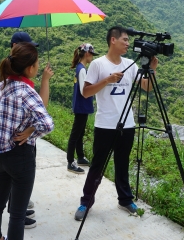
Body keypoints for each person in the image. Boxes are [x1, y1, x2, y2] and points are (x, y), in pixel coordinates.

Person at [74, 26, 158, 221]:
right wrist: (108, 80)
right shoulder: (97, 64)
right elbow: (86, 92)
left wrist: (152, 69)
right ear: (113, 40)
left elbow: (147, 87)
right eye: (125, 40)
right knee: (97, 165)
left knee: (122, 164)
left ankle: (125, 199)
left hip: (127, 124)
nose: (128, 44)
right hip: (105, 124)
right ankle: (86, 202)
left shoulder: (131, 64)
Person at [0, 42, 54, 240]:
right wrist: (31, 131)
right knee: (17, 214)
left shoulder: (1, 86)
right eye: (37, 63)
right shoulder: (26, 91)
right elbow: (47, 123)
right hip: (20, 157)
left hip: (0, 156)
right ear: (30, 68)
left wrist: (29, 128)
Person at [66, 43, 99, 174]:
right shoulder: (82, 70)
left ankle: (80, 156)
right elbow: (84, 91)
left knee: (79, 133)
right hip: (82, 107)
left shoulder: (80, 68)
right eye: (91, 54)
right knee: (75, 134)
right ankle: (70, 161)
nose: (92, 57)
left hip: (81, 107)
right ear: (87, 54)